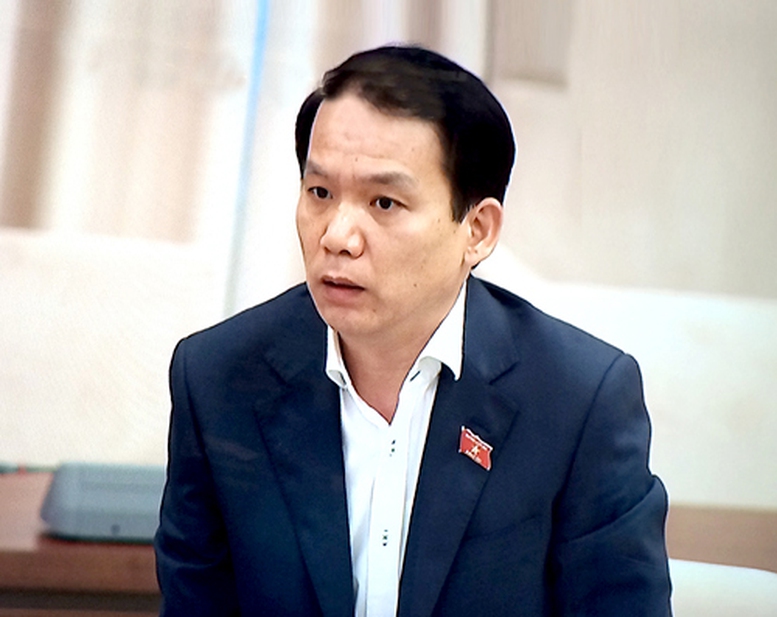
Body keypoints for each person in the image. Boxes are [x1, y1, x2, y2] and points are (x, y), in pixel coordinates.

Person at [154, 45, 672, 616]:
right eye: (320, 193)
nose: (337, 237)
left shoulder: (578, 401)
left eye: (384, 202)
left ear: (477, 230)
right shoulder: (219, 379)